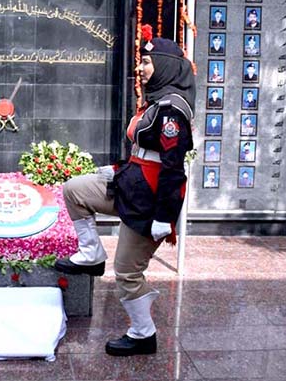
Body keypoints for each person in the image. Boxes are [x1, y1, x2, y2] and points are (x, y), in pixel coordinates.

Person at [53, 33, 195, 357]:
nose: (142, 67)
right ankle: (91, 254)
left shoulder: (172, 110)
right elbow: (143, 151)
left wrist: (164, 217)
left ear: (165, 66)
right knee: (74, 190)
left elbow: (173, 169)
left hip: (150, 200)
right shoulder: (156, 101)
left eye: (147, 62)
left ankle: (143, 335)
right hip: (130, 184)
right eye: (142, 61)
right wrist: (116, 169)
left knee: (128, 271)